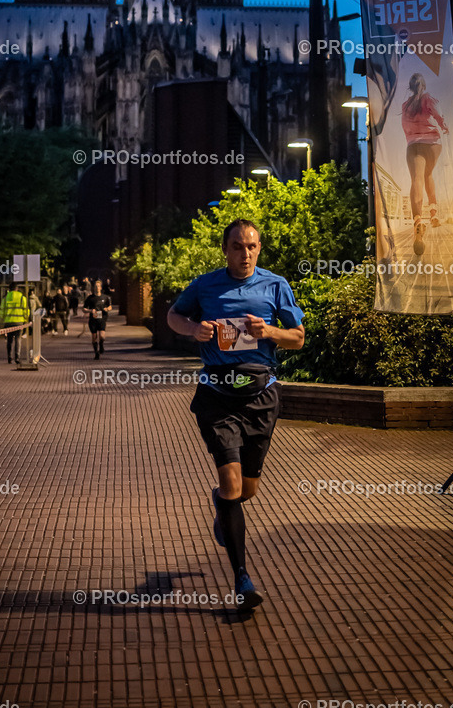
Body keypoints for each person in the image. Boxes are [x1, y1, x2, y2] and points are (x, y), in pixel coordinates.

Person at [167, 219, 305, 611]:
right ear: (225, 249)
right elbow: (173, 317)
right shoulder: (205, 284)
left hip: (260, 395)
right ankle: (241, 578)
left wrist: (271, 332)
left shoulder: (275, 285)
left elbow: (298, 337)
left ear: (259, 248)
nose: (245, 254)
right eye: (237, 247)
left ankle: (223, 506)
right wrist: (194, 330)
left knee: (247, 491)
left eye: (252, 247)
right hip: (216, 395)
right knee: (231, 485)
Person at [401, 73, 449, 255]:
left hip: (413, 144)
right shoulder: (429, 99)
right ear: (424, 85)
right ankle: (434, 213)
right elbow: (438, 115)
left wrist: (413, 137)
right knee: (428, 174)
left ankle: (418, 219)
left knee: (416, 180)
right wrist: (444, 127)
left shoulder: (405, 106)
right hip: (433, 144)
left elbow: (405, 127)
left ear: (411, 88)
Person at [0, 282, 29, 364]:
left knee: (9, 340)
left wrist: (3, 318)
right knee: (18, 340)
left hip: (8, 322)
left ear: (9, 289)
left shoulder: (5, 298)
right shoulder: (22, 298)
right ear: (17, 288)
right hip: (19, 322)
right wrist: (26, 319)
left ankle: (9, 357)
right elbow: (26, 310)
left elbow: (1, 310)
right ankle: (17, 358)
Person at [83, 279, 111, 359]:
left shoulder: (105, 297)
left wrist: (107, 309)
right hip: (93, 319)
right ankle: (96, 352)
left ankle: (101, 344)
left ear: (101, 287)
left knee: (102, 336)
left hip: (102, 318)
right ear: (93, 288)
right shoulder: (90, 298)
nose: (97, 288)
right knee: (94, 337)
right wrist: (90, 310)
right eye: (95, 286)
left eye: (98, 286)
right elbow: (84, 308)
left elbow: (110, 306)